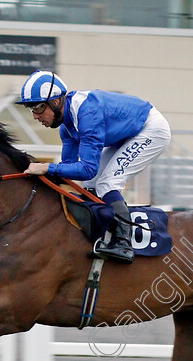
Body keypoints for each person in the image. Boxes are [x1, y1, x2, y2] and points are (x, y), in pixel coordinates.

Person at [18, 70, 171, 264]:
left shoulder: (87, 114)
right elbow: (69, 170)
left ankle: (124, 243)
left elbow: (86, 167)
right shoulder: (66, 127)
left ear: (56, 102)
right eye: (30, 109)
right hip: (126, 134)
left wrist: (47, 168)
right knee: (91, 183)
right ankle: (103, 235)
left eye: (39, 108)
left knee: (108, 182)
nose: (35, 116)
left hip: (151, 129)